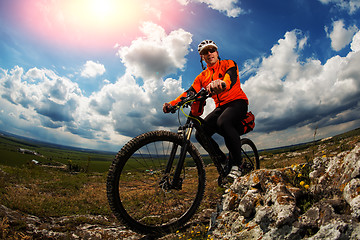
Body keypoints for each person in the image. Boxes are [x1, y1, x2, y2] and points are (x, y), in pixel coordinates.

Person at [163, 40, 249, 178]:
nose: (209, 54)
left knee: (223, 122)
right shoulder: (202, 77)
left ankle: (238, 164)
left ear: (217, 52)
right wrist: (173, 103)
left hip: (238, 102)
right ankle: (223, 161)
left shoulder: (229, 63)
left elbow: (230, 78)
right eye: (205, 52)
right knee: (200, 133)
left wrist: (222, 83)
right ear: (202, 57)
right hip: (221, 106)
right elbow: (190, 92)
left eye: (211, 50)